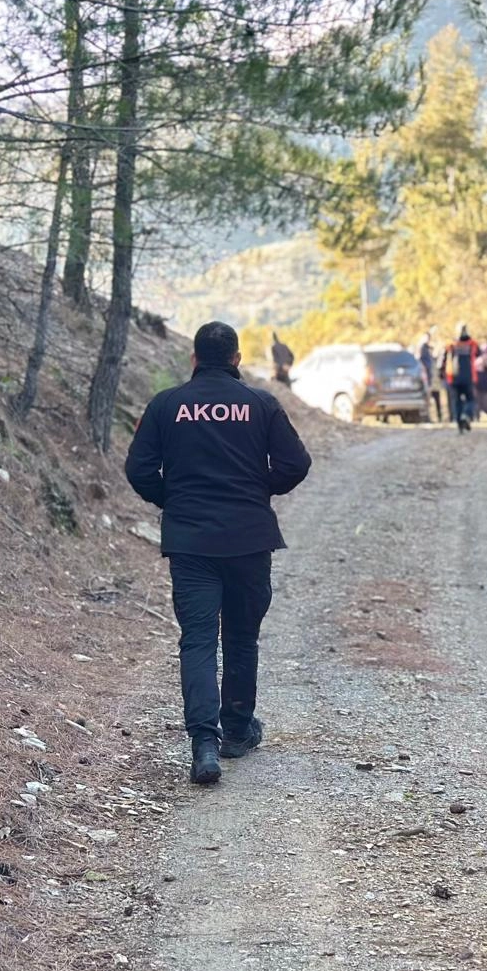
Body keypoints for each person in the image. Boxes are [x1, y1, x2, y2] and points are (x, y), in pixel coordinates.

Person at [125, 321, 312, 785]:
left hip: (191, 542)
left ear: (193, 359)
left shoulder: (167, 405)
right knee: (242, 638)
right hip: (249, 538)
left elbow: (139, 469)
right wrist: (259, 489)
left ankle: (204, 746)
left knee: (199, 640)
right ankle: (237, 732)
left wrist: (174, 499)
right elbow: (296, 463)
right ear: (236, 359)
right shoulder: (260, 404)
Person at [440, 325, 479, 433]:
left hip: (453, 377)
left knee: (457, 401)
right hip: (468, 377)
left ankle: (459, 424)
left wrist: (441, 374)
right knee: (470, 399)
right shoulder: (472, 344)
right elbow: (478, 355)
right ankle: (466, 415)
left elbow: (442, 361)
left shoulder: (450, 345)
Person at [415, 329, 444, 422]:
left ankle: (437, 417)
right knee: (428, 399)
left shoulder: (428, 349)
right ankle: (429, 417)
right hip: (428, 378)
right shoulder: (423, 348)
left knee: (434, 398)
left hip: (432, 379)